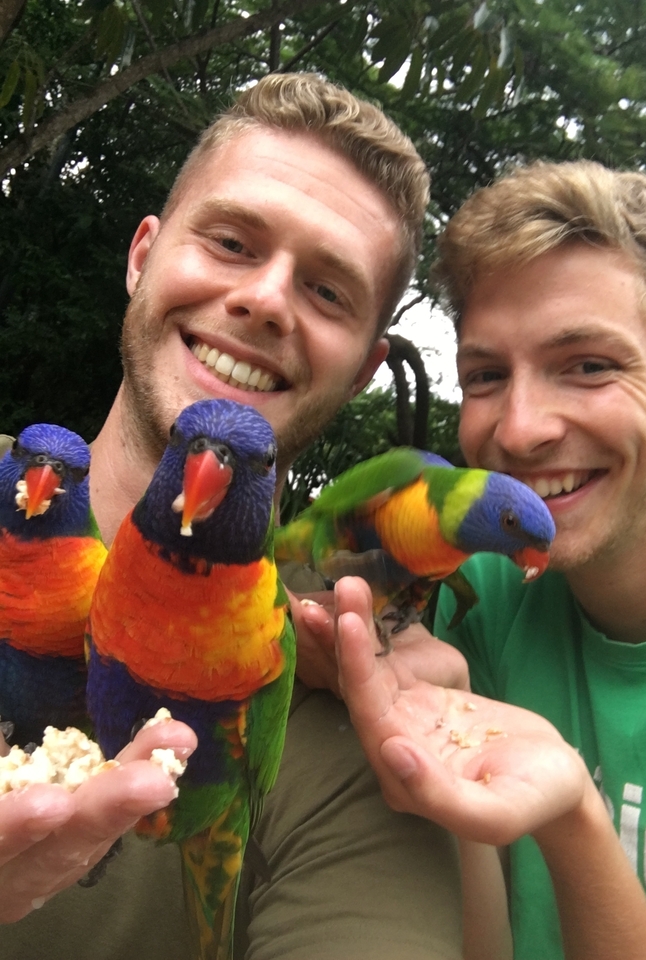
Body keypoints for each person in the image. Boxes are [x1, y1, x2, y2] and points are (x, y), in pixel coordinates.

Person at [0, 73, 465, 959]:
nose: (265, 299)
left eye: (329, 291)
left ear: (365, 370)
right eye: (230, 240)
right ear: (142, 254)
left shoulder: (338, 703)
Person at [334, 161, 646, 960]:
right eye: (485, 375)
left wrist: (571, 814)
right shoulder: (467, 592)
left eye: (588, 365)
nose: (520, 429)